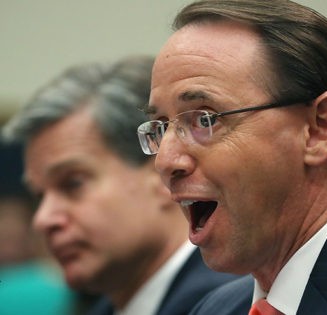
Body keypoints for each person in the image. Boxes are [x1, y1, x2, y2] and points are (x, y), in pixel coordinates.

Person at [135, 1, 327, 314]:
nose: (165, 161)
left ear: (319, 129)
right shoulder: (217, 308)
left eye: (205, 119)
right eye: (161, 127)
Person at [1, 55, 240, 315]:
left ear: (161, 174)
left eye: (72, 184)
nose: (44, 220)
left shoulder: (234, 304)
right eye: (39, 196)